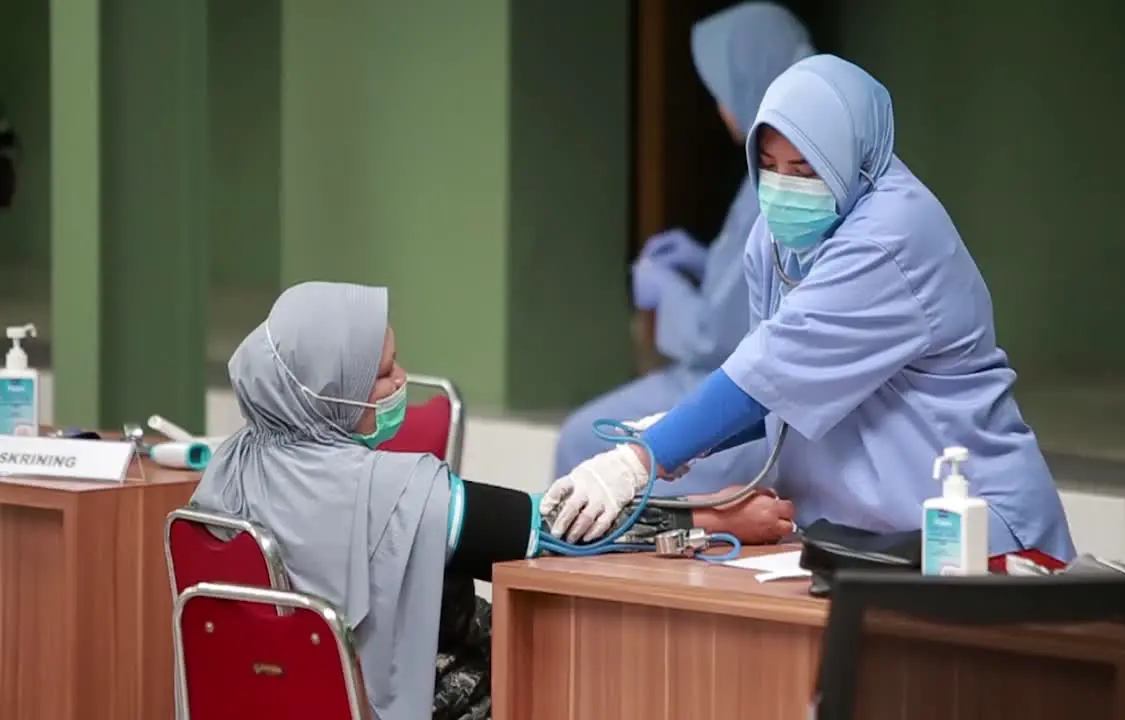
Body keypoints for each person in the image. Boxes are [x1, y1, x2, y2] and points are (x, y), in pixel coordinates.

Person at [543, 55, 1077, 563]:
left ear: (855, 159)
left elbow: (769, 371)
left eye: (804, 169)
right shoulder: (773, 240)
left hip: (977, 539)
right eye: (769, 167)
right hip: (864, 541)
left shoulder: (893, 235)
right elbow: (784, 394)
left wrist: (639, 462)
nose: (782, 190)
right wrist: (683, 436)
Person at [188, 281, 794, 719]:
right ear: (328, 391)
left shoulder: (228, 468)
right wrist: (715, 515)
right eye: (383, 373)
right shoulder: (392, 496)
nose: (402, 382)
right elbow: (558, 530)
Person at [552, 2, 815, 496]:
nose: (720, 107)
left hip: (745, 397)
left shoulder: (783, 188)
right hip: (736, 384)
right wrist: (707, 263)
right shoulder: (775, 177)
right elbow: (759, 285)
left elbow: (718, 339)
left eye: (723, 91)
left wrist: (668, 290)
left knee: (582, 444)